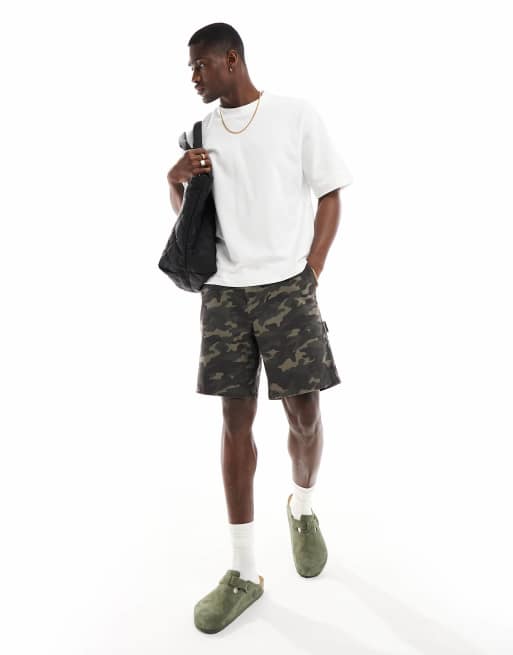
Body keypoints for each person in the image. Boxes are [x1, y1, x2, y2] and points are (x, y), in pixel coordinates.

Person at [166, 22, 353, 634]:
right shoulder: (200, 132)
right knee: (234, 423)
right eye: (189, 69)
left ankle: (302, 506)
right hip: (224, 295)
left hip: (288, 289)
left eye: (200, 65)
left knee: (305, 415)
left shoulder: (295, 115)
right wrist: (175, 180)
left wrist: (313, 268)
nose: (193, 77)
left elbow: (330, 193)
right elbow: (191, 221)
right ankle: (244, 570)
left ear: (232, 58)